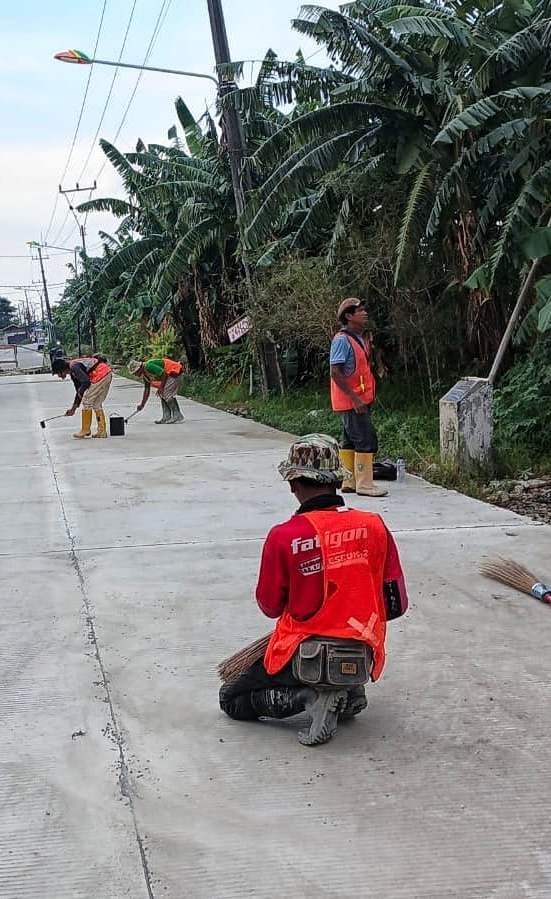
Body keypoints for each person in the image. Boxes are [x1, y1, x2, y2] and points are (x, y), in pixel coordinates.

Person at [219, 434, 408, 746]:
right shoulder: (375, 525)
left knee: (231, 700)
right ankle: (345, 688)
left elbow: (270, 606)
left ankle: (310, 697)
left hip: (304, 653)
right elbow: (396, 603)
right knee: (343, 656)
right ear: (336, 480)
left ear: (293, 484)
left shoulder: (284, 536)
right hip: (363, 653)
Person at [330, 297, 387, 497]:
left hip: (357, 399)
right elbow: (335, 372)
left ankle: (349, 480)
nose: (365, 313)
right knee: (365, 440)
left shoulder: (359, 338)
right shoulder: (342, 340)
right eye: (360, 311)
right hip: (353, 402)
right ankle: (365, 485)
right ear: (348, 316)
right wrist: (355, 398)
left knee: (350, 440)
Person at [52, 354, 113, 439]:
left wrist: (81, 391)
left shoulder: (74, 367)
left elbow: (86, 382)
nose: (59, 376)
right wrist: (73, 409)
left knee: (87, 401)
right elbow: (79, 391)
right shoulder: (73, 372)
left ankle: (85, 429)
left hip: (100, 374)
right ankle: (101, 431)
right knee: (96, 403)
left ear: (62, 369)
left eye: (58, 373)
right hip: (107, 373)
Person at [128, 357, 185, 424]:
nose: (136, 375)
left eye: (136, 372)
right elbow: (147, 390)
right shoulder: (145, 375)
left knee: (166, 393)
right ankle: (166, 416)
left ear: (139, 368)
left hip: (174, 371)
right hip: (169, 374)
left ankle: (177, 414)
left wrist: (161, 387)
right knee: (162, 394)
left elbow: (164, 374)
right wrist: (142, 404)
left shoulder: (148, 366)